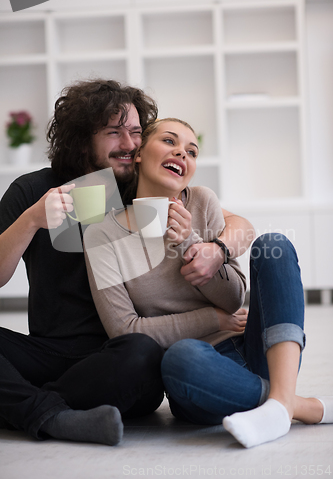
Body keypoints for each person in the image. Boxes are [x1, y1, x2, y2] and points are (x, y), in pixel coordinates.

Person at [0, 79, 255, 447]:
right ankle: (52, 414)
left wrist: (216, 249)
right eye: (114, 132)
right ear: (82, 136)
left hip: (123, 358)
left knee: (142, 351)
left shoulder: (135, 185)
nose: (130, 144)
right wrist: (31, 221)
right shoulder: (31, 190)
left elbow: (241, 225)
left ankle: (19, 402)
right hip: (48, 352)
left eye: (136, 132)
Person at [84, 117, 333, 449]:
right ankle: (295, 405)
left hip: (254, 350)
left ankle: (280, 399)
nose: (182, 154)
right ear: (139, 152)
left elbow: (233, 298)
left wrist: (191, 243)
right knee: (178, 357)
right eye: (170, 142)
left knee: (275, 244)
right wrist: (213, 319)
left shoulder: (202, 201)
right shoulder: (101, 235)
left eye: (192, 150)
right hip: (199, 373)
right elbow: (125, 330)